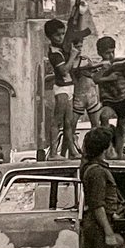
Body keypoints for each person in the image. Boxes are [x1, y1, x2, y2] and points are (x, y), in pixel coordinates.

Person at [95, 36, 125, 158]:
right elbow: (95, 78)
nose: (110, 55)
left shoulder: (121, 64)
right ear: (100, 53)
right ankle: (108, 149)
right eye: (107, 53)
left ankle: (119, 154)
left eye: (112, 52)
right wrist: (108, 78)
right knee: (104, 116)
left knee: (122, 129)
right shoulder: (101, 66)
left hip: (124, 98)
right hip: (109, 100)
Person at [45, 19, 79, 159]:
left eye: (62, 34)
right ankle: (53, 153)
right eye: (57, 35)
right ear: (50, 36)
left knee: (68, 122)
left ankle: (72, 151)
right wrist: (72, 56)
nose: (61, 37)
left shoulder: (61, 50)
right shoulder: (55, 53)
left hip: (69, 88)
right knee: (57, 120)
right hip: (62, 89)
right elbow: (64, 70)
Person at [70, 37, 103, 128]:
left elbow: (93, 74)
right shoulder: (69, 62)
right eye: (77, 47)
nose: (79, 49)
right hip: (77, 96)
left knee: (95, 124)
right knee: (72, 125)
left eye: (81, 47)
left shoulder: (85, 60)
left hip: (91, 95)